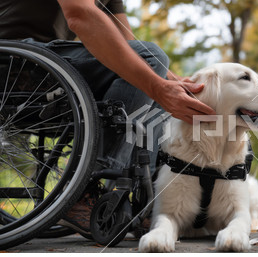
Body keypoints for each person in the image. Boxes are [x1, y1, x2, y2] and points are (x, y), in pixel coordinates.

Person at [0, 0, 215, 236]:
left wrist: (174, 83)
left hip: (46, 67)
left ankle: (147, 202)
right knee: (151, 63)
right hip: (11, 65)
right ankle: (85, 189)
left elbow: (127, 45)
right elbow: (80, 15)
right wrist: (158, 83)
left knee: (154, 78)